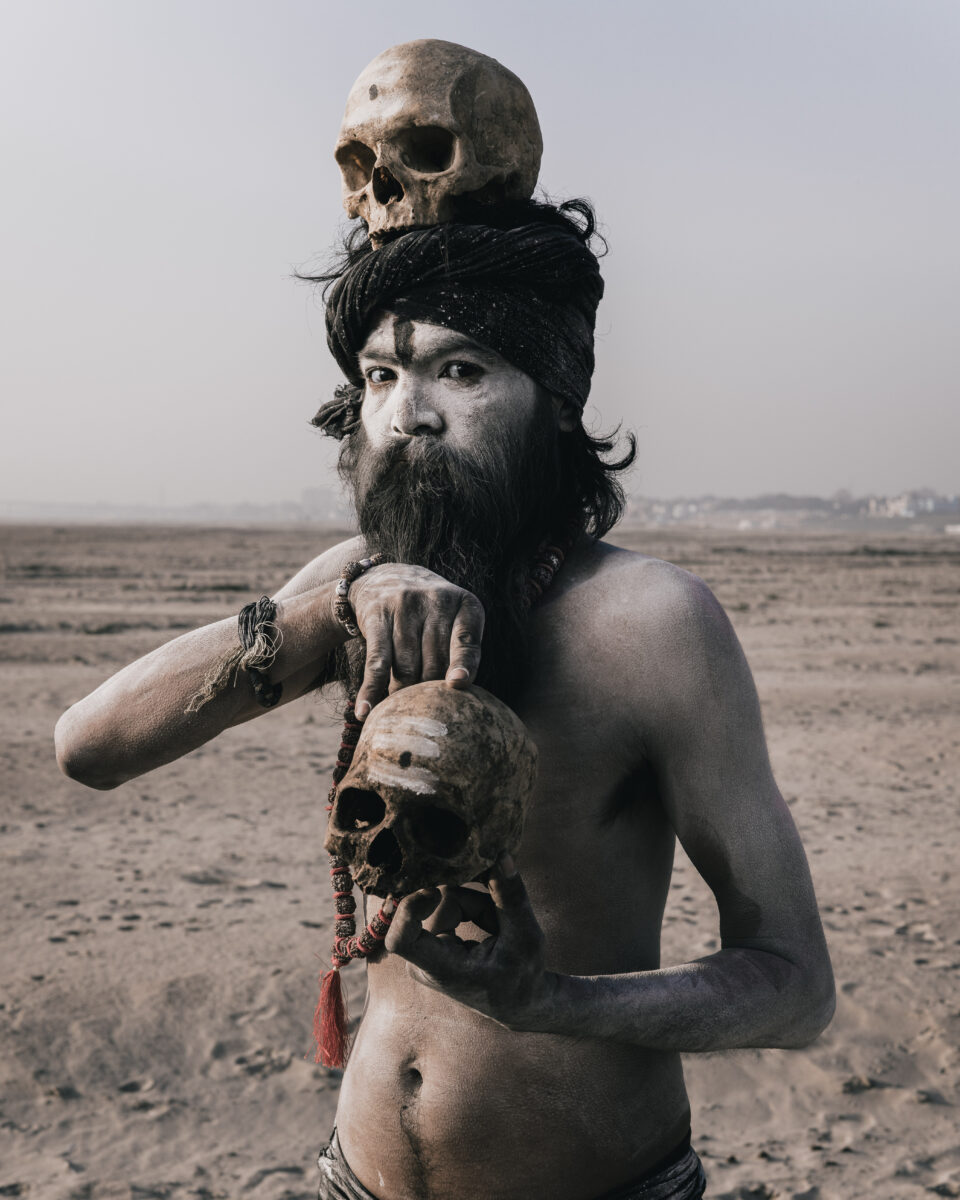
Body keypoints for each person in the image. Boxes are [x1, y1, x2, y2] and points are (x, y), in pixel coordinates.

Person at [55, 199, 835, 1200]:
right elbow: (89, 747)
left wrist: (553, 1002)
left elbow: (793, 984)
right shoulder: (357, 591)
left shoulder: (655, 624)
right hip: (356, 1178)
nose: (406, 414)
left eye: (460, 371)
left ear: (558, 399)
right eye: (380, 375)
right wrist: (328, 608)